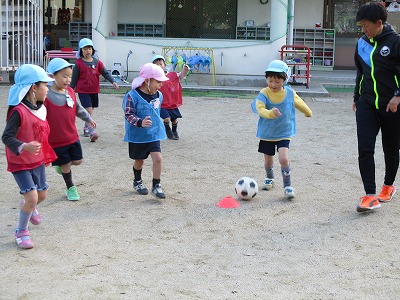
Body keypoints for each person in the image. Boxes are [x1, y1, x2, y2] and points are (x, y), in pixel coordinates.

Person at [2, 64, 57, 249]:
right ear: (34, 87)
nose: (48, 89)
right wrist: (24, 146)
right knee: (32, 197)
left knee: (41, 195)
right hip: (20, 161)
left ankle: (28, 204)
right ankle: (21, 231)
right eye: (45, 85)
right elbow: (6, 137)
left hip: (37, 159)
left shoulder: (41, 107)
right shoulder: (18, 111)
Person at [353, 2, 400, 212]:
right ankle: (370, 195)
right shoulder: (362, 43)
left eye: (366, 25)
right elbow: (360, 73)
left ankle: (388, 186)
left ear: (379, 23)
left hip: (392, 106)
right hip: (367, 104)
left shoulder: (396, 42)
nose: (363, 30)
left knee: (391, 149)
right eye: (361, 26)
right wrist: (356, 97)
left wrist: (398, 96)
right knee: (365, 147)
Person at [251, 60, 312, 200]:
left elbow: (298, 102)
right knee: (268, 161)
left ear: (285, 79)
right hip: (267, 133)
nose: (273, 84)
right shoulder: (264, 93)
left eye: (277, 81)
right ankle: (270, 178)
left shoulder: (289, 92)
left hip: (284, 132)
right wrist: (270, 113)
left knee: (284, 159)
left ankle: (287, 186)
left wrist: (308, 112)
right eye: (270, 80)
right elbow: (260, 109)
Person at [45, 58, 97, 201]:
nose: (68, 79)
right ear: (52, 76)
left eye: (69, 76)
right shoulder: (45, 95)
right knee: (67, 164)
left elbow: (78, 108)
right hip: (56, 139)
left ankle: (61, 167)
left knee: (78, 161)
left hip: (72, 136)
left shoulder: (70, 92)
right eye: (64, 76)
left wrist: (88, 119)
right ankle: (71, 188)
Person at [122, 63, 169, 198]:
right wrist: (140, 122)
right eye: (158, 82)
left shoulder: (158, 95)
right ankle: (137, 181)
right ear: (147, 80)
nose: (160, 85)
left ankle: (156, 185)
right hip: (138, 136)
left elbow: (157, 110)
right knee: (139, 161)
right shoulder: (132, 96)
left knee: (158, 158)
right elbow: (128, 114)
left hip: (153, 134)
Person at [70, 38, 119, 142]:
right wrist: (70, 90)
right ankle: (92, 131)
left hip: (94, 90)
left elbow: (105, 73)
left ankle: (86, 127)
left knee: (91, 110)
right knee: (88, 110)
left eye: (90, 48)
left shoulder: (98, 62)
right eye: (85, 48)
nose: (88, 51)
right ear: (81, 51)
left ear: (93, 50)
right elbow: (74, 79)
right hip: (83, 91)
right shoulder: (78, 64)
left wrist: (113, 81)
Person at [152, 54, 190, 140]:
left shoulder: (172, 75)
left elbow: (182, 75)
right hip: (161, 103)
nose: (159, 66)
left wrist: (185, 70)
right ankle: (168, 131)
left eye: (160, 64)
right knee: (166, 118)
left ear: (164, 65)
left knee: (174, 120)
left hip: (172, 103)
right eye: (156, 64)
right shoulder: (153, 78)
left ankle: (174, 131)